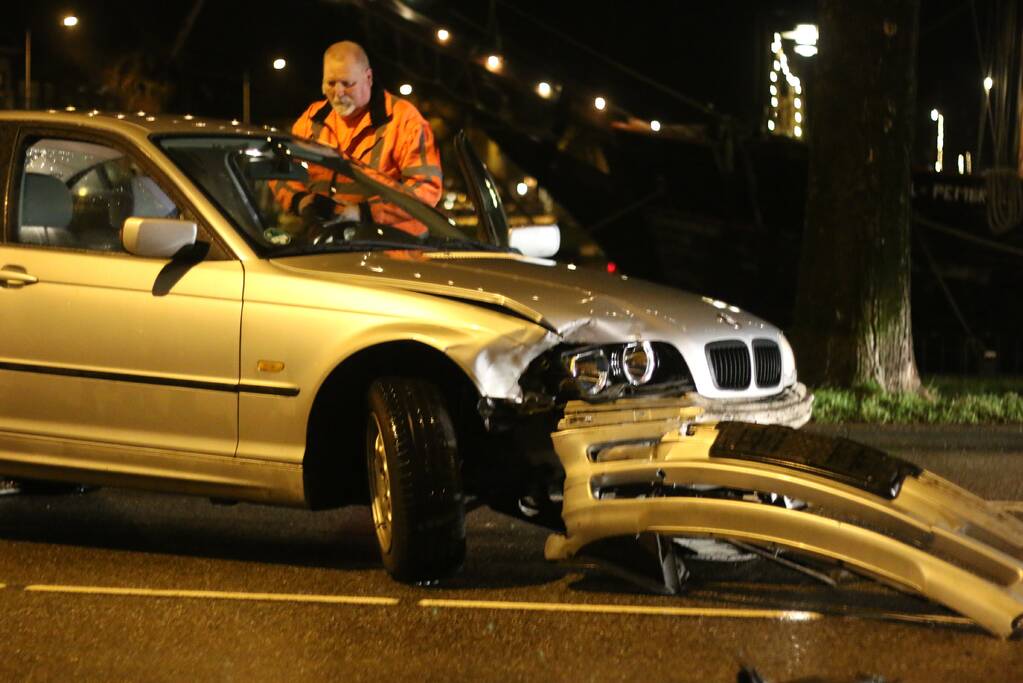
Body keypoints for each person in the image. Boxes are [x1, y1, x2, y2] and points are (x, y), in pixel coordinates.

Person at [274, 41, 443, 226]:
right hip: (325, 241)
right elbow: (280, 171)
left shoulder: (404, 121)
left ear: (368, 78)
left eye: (347, 84)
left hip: (389, 246)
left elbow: (426, 188)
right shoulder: (311, 120)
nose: (338, 93)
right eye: (331, 83)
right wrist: (300, 201)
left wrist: (363, 213)